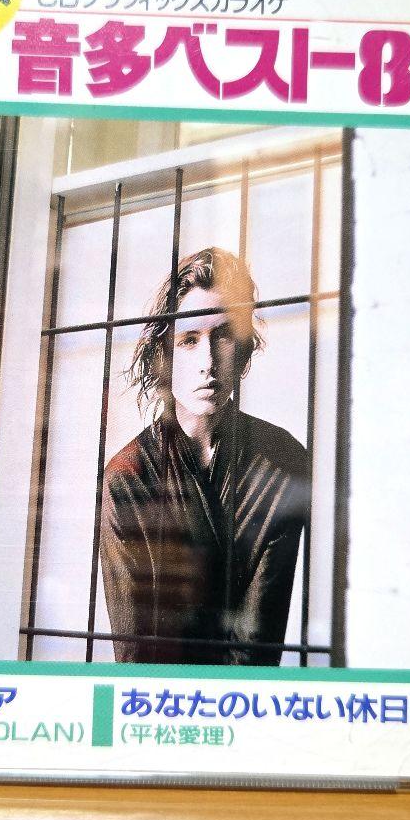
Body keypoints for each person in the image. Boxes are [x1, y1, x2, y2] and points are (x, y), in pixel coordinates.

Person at [99, 247, 310, 665]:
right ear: (164, 353)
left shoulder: (283, 460)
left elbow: (258, 641)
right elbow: (136, 649)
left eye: (224, 336)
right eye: (189, 340)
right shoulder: (127, 477)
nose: (208, 363)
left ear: (244, 348)